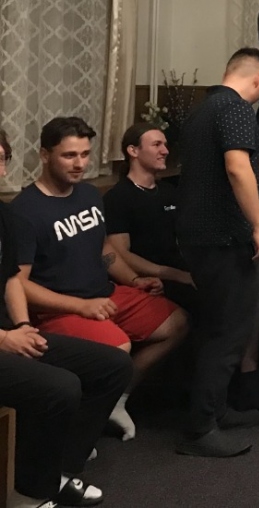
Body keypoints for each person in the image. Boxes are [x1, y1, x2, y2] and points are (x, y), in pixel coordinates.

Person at [8, 117, 188, 444]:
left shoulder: (89, 195)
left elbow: (104, 249)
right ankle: (79, 429)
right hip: (59, 310)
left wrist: (134, 279)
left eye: (85, 154)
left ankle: (117, 400)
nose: (79, 164)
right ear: (45, 155)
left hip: (105, 293)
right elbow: (18, 282)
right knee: (117, 348)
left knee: (177, 322)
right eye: (69, 155)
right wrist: (81, 306)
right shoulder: (24, 211)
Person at [0, 127, 132, 507]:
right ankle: (27, 494)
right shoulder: (24, 210)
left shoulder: (2, 215)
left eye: (1, 160)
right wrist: (6, 339)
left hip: (10, 332)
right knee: (60, 387)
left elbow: (11, 279)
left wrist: (23, 326)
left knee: (113, 367)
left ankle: (59, 472)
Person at [175, 48, 259, 457]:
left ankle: (215, 410)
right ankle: (200, 428)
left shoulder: (203, 109)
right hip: (224, 238)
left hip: (199, 237)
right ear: (258, 80)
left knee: (216, 326)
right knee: (229, 332)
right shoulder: (236, 109)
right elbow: (237, 167)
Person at [104, 123, 198, 316]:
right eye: (156, 145)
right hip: (150, 280)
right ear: (133, 151)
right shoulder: (118, 197)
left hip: (180, 270)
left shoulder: (169, 191)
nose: (165, 151)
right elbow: (121, 253)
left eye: (165, 145)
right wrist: (175, 275)